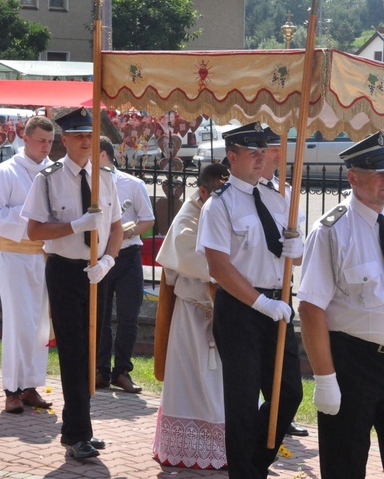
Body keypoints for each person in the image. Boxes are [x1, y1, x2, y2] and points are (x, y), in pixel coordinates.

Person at [297, 132, 384, 479]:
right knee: (344, 465)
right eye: (378, 174)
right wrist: (325, 378)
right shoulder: (331, 231)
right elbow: (311, 308)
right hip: (353, 364)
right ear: (353, 177)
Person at [197, 122, 303, 479]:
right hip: (242, 310)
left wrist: (297, 249)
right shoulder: (219, 205)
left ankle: (254, 464)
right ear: (232, 156)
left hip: (280, 306)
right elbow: (219, 266)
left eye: (264, 151)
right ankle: (244, 473)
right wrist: (260, 303)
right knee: (242, 402)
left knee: (289, 393)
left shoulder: (277, 198)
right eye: (252, 152)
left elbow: (294, 253)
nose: (261, 158)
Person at [22, 107, 123, 460]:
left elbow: (116, 227)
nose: (86, 141)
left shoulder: (107, 177)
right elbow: (34, 230)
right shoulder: (48, 178)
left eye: (90, 135)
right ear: (64, 141)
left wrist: (109, 259)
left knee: (93, 351)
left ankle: (77, 429)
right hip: (65, 270)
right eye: (79, 135)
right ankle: (78, 432)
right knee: (74, 353)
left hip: (97, 272)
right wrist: (75, 225)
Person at [152, 163, 230, 469]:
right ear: (202, 192)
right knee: (190, 379)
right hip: (192, 313)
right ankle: (185, 448)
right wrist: (230, 271)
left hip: (227, 311)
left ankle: (225, 446)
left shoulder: (228, 209)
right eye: (218, 194)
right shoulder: (189, 213)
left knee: (224, 382)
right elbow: (188, 253)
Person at [0, 116, 55, 414]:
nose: (45, 147)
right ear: (24, 138)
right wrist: (30, 221)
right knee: (17, 320)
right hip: (13, 254)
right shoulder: (4, 172)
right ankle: (11, 389)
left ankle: (30, 386)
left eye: (50, 142)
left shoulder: (55, 172)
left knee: (40, 322)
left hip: (45, 255)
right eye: (41, 141)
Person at [258, 126, 310, 438]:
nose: (281, 153)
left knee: (288, 383)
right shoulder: (239, 192)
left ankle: (275, 419)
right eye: (275, 147)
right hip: (249, 294)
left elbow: (300, 256)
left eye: (283, 147)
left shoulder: (286, 193)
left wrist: (297, 247)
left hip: (281, 293)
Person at [96, 137, 155, 393]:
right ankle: (100, 370)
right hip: (100, 256)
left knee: (129, 318)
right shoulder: (87, 182)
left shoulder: (132, 183)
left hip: (128, 256)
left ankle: (122, 372)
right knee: (100, 317)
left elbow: (148, 220)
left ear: (102, 155)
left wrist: (127, 233)